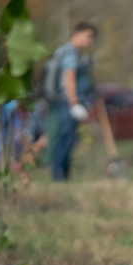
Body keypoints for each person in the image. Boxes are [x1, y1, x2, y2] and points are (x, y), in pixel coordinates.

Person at [47, 22, 97, 181]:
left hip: (64, 101)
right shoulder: (71, 53)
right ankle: (58, 175)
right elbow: (69, 77)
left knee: (67, 137)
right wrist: (74, 103)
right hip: (67, 101)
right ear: (79, 33)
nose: (90, 42)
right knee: (66, 138)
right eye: (89, 37)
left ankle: (63, 174)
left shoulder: (65, 51)